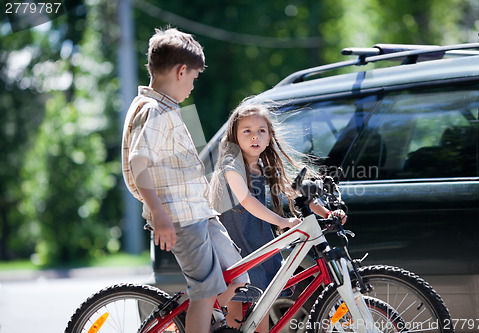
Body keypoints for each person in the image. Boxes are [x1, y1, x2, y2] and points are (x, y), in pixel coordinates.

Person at [121, 27, 248, 333]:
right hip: (179, 216)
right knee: (204, 294)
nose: (193, 84)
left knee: (239, 275)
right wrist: (160, 213)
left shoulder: (168, 108)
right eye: (194, 77)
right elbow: (140, 163)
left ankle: (218, 324)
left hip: (199, 211)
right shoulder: (153, 111)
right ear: (181, 71)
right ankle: (200, 321)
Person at [210, 103, 346, 332]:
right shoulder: (231, 166)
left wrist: (327, 213)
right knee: (237, 310)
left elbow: (293, 190)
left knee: (261, 310)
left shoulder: (262, 166)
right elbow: (247, 201)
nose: (255, 136)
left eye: (261, 131)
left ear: (269, 136)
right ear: (234, 135)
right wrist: (282, 222)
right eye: (247, 131)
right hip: (236, 247)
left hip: (259, 245)